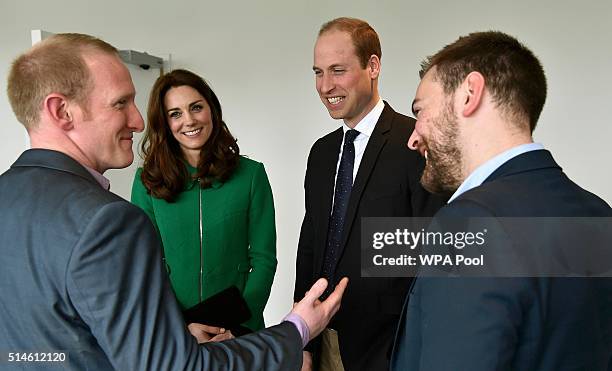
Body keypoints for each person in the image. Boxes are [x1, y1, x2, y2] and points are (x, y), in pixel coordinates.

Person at [0, 32, 348, 371]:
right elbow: (170, 363)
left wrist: (210, 329)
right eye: (120, 102)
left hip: (227, 329)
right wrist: (295, 331)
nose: (136, 121)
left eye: (195, 108)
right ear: (61, 111)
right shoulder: (107, 220)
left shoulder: (9, 196)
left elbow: (55, 337)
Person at [390, 31, 612, 370]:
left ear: (469, 94)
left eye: (420, 111)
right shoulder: (599, 214)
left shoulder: (466, 226)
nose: (413, 137)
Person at [294, 17, 445, 371]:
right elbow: (311, 245)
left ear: (373, 66)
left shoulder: (415, 142)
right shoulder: (321, 153)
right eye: (318, 72)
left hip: (389, 348)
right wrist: (301, 339)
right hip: (323, 340)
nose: (325, 85)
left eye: (337, 70)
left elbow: (434, 255)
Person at [131, 69, 276, 333]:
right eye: (175, 113)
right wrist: (179, 327)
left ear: (211, 109)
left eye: (196, 107)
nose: (189, 120)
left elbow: (264, 259)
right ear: (164, 122)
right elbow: (144, 265)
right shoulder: (146, 181)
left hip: (239, 329)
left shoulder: (251, 175)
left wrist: (238, 324)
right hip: (175, 332)